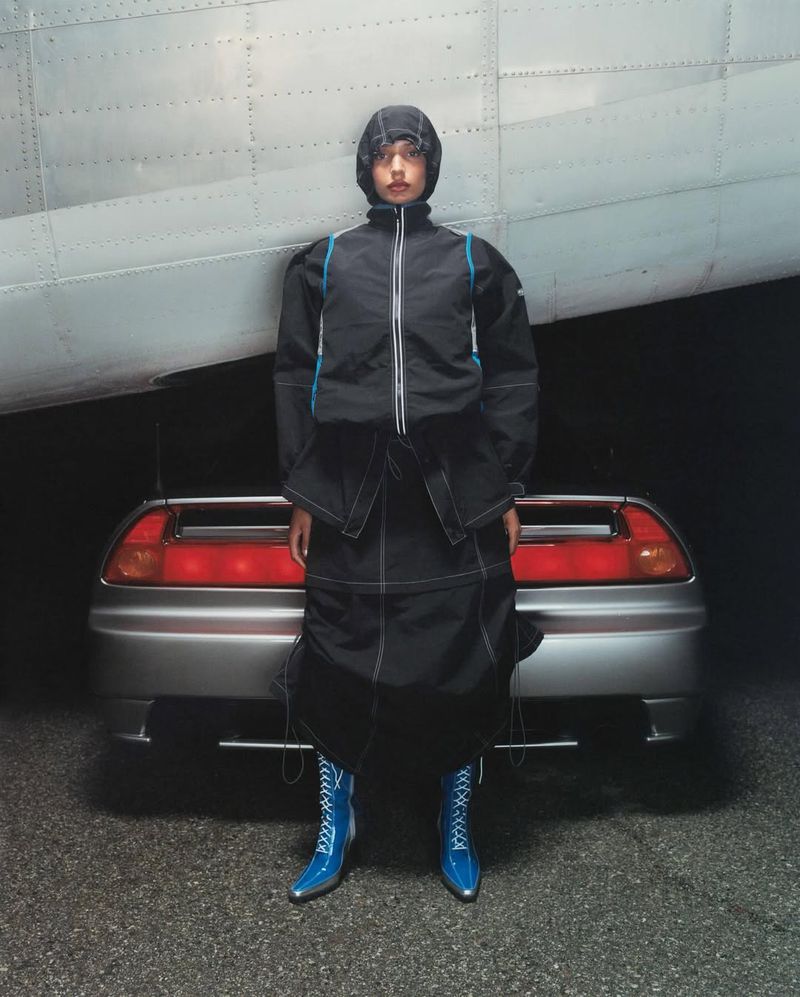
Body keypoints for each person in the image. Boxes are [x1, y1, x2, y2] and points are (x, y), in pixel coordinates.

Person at [271, 105, 543, 904]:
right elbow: (294, 378)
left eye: (410, 155)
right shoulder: (322, 265)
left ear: (429, 167)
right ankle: (337, 822)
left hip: (450, 487)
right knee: (336, 657)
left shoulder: (471, 262)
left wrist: (506, 484)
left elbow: (515, 377)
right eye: (384, 155)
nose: (397, 167)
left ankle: (455, 823)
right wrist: (301, 490)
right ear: (365, 166)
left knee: (461, 657)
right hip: (352, 488)